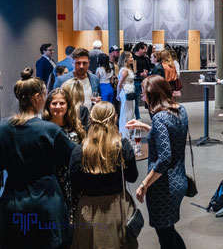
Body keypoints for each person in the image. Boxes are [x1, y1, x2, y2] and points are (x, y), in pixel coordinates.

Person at [0, 68, 76, 248]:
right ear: (37, 98)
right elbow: (76, 159)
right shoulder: (50, 131)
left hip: (12, 203)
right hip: (47, 203)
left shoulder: (2, 129)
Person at [126, 75, 189, 249]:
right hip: (179, 180)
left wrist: (144, 184)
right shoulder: (180, 109)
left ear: (152, 94)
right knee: (169, 230)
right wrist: (146, 127)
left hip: (163, 186)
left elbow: (164, 159)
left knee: (165, 235)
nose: (142, 97)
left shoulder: (160, 118)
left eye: (144, 93)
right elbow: (173, 135)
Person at [70, 102, 138, 249]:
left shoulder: (79, 151)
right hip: (118, 207)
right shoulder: (123, 146)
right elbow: (132, 177)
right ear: (115, 118)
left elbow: (74, 185)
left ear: (90, 119)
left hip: (88, 210)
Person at [43, 88, 86, 222]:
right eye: (54, 103)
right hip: (52, 185)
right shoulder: (42, 129)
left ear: (68, 105)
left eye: (62, 103)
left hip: (74, 184)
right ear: (48, 105)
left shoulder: (75, 127)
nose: (58, 107)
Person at [117, 51, 136, 137]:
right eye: (131, 57)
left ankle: (128, 132)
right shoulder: (124, 70)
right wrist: (118, 95)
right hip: (126, 92)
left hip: (130, 92)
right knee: (126, 113)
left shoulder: (129, 68)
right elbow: (119, 84)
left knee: (130, 113)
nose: (132, 59)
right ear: (126, 59)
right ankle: (125, 134)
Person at [132, 42, 150, 119]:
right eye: (144, 49)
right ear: (140, 49)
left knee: (149, 99)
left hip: (145, 81)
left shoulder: (146, 58)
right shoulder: (132, 58)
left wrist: (146, 73)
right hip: (135, 81)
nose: (146, 50)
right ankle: (138, 117)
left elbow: (149, 68)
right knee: (136, 101)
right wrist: (140, 74)